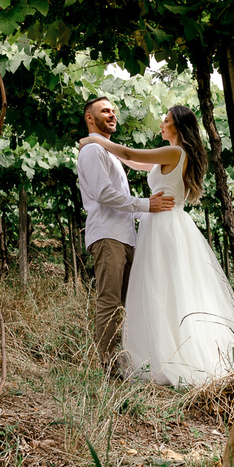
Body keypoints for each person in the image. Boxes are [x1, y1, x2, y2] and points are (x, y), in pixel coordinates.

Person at [79, 105, 234, 386]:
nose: (161, 123)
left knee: (164, 289)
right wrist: (98, 143)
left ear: (178, 127)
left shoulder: (175, 151)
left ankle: (168, 356)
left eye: (166, 120)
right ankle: (158, 352)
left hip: (164, 224)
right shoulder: (169, 157)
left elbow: (131, 155)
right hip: (158, 223)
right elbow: (133, 163)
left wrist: (96, 139)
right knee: (161, 290)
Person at [76, 96, 175, 373]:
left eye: (113, 111)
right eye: (104, 111)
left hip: (125, 236)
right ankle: (105, 365)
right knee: (109, 300)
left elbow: (122, 192)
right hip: (108, 236)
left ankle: (121, 360)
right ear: (89, 118)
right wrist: (147, 205)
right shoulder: (93, 151)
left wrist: (153, 218)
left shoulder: (107, 152)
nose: (111, 115)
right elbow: (104, 194)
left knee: (124, 303)